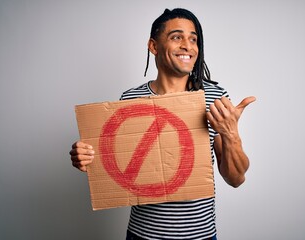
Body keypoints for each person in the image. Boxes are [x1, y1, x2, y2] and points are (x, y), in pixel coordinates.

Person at [69, 8, 255, 240]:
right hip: (142, 234)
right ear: (154, 46)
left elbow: (235, 179)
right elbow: (113, 161)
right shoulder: (130, 100)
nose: (188, 45)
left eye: (193, 39)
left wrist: (231, 134)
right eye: (177, 37)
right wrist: (86, 156)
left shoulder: (214, 98)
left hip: (200, 235)